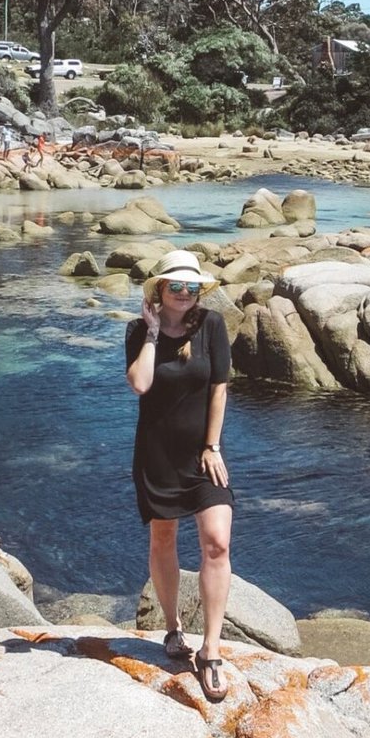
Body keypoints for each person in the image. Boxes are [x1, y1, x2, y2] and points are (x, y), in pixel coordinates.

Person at [124, 249, 234, 701]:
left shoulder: (212, 325)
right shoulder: (137, 331)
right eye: (176, 287)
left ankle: (210, 649)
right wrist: (152, 333)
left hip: (201, 455)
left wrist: (212, 445)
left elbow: (219, 387)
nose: (185, 294)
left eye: (192, 287)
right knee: (163, 539)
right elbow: (140, 384)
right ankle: (172, 629)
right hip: (156, 455)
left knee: (217, 542)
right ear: (160, 290)